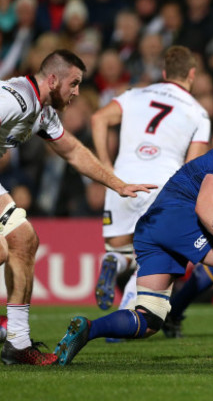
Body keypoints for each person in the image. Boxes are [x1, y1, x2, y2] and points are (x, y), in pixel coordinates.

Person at [55, 143, 213, 366]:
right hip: (179, 219)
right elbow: (205, 207)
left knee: (150, 319)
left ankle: (88, 329)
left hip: (154, 227)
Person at [0, 49, 156, 366]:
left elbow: (72, 151)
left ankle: (17, 343)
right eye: (74, 83)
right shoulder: (12, 100)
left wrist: (117, 184)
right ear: (54, 79)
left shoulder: (41, 111)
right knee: (3, 251)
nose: (77, 92)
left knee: (24, 240)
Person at [91, 45, 211, 316]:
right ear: (191, 74)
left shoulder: (134, 95)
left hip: (121, 179)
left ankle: (114, 261)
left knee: (119, 248)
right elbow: (193, 165)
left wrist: (104, 166)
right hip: (162, 185)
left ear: (165, 72)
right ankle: (127, 312)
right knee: (157, 255)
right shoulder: (198, 113)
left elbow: (98, 118)